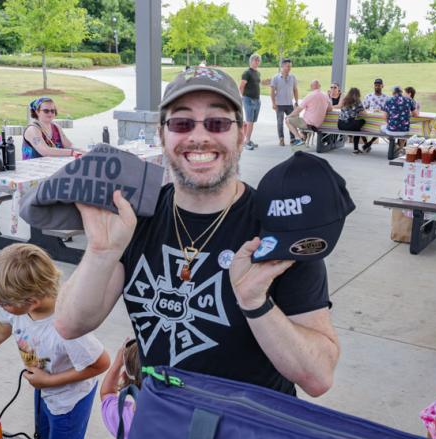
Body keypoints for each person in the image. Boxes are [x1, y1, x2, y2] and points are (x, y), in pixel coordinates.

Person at [55, 66, 340, 398]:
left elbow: (318, 377)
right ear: (163, 135)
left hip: (251, 437)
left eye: (218, 122)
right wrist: (101, 252)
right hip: (160, 425)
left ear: (242, 132)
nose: (200, 136)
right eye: (181, 122)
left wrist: (256, 303)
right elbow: (70, 324)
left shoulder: (277, 226)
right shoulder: (137, 217)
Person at [0, 243, 110, 439]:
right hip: (43, 387)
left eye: (3, 302)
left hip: (69, 399)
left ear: (32, 302)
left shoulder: (67, 326)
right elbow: (1, 328)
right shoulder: (17, 309)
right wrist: (44, 383)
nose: (0, 306)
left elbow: (101, 363)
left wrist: (50, 382)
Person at [101, 338, 142, 439]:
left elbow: (107, 393)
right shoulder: (183, 419)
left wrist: (117, 364)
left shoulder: (124, 418)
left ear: (124, 376)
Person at [286, 80, 333, 146]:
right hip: (319, 124)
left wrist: (289, 115)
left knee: (288, 121)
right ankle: (302, 137)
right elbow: (330, 109)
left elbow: (298, 109)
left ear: (311, 87)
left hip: (308, 123)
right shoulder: (325, 96)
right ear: (319, 86)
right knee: (301, 122)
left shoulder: (310, 95)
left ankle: (298, 138)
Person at [270, 58, 299, 146]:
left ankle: (293, 139)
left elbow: (295, 90)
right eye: (287, 66)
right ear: (282, 66)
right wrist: (273, 103)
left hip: (289, 104)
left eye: (290, 66)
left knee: (292, 121)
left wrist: (296, 101)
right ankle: (281, 139)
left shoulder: (293, 77)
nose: (289, 68)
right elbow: (272, 92)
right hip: (279, 104)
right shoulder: (275, 78)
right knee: (280, 122)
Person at [239, 53, 261, 150]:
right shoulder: (246, 73)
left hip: (257, 100)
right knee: (249, 121)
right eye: (255, 60)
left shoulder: (257, 73)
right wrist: (243, 97)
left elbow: (256, 85)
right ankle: (246, 142)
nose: (257, 62)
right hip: (248, 99)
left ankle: (247, 140)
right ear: (251, 61)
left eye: (258, 60)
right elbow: (241, 86)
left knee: (251, 121)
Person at [337, 87, 366, 154]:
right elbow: (364, 114)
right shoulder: (358, 101)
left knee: (357, 128)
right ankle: (356, 149)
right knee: (362, 121)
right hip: (349, 125)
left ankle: (356, 148)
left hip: (340, 125)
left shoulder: (344, 100)